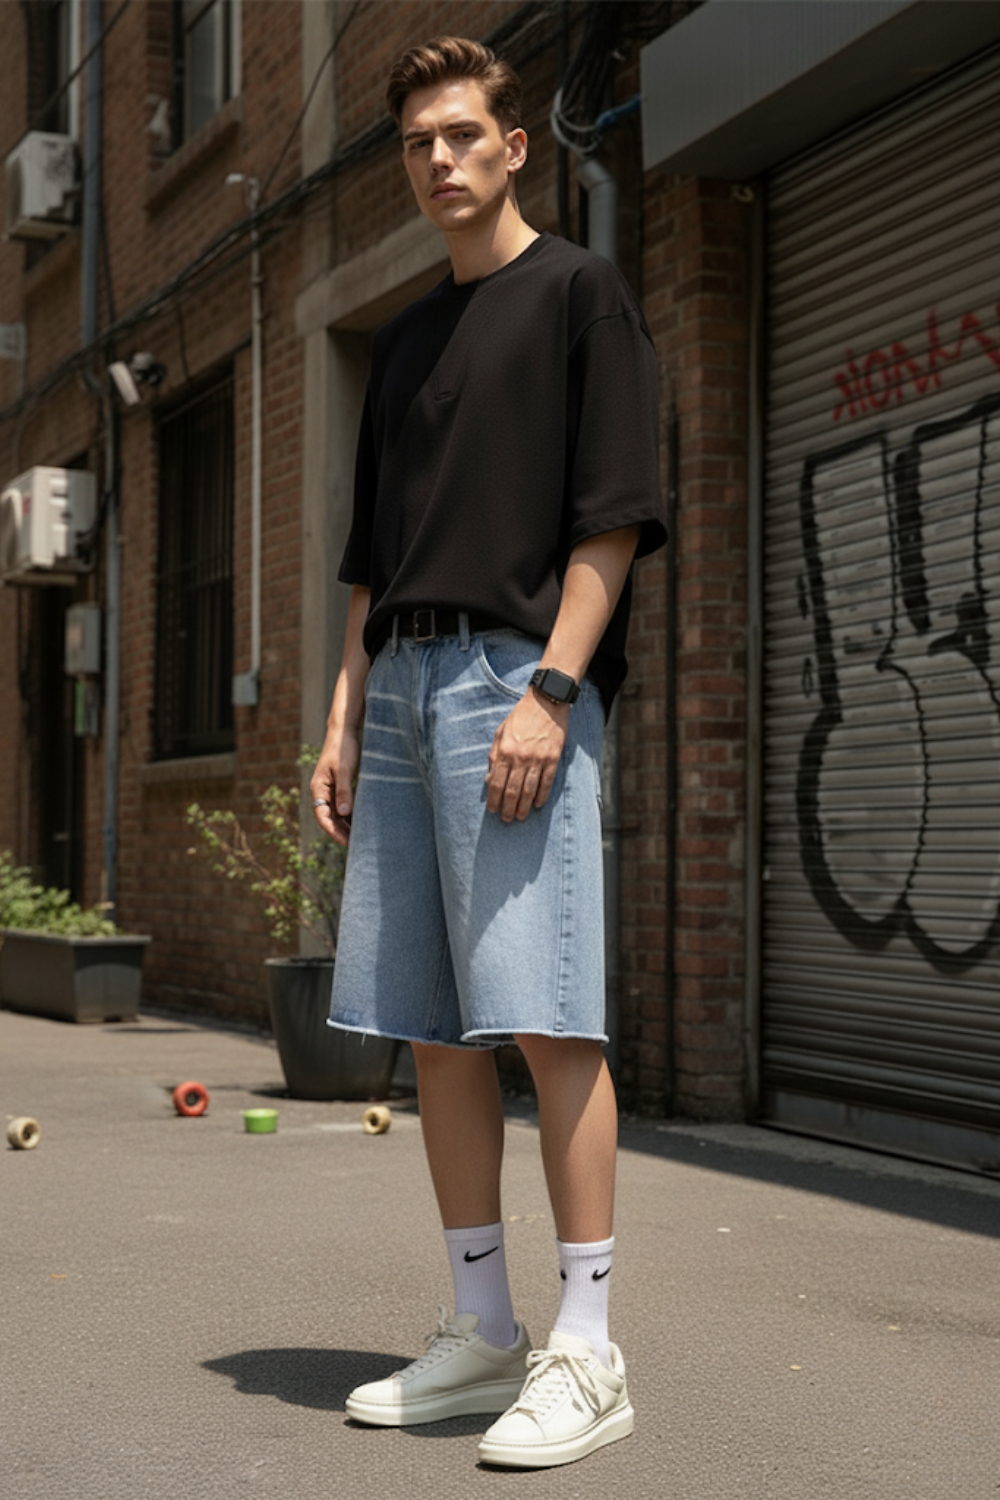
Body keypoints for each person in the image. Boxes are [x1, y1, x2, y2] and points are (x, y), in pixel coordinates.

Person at [310, 35, 665, 1471]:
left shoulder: (580, 294)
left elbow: (613, 518)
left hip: (514, 680)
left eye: (462, 134)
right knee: (431, 1023)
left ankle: (589, 1348)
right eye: (418, 143)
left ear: (517, 146)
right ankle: (484, 1330)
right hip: (401, 683)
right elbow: (369, 560)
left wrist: (553, 689)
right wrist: (342, 715)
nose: (439, 159)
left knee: (544, 1011)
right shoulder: (403, 342)